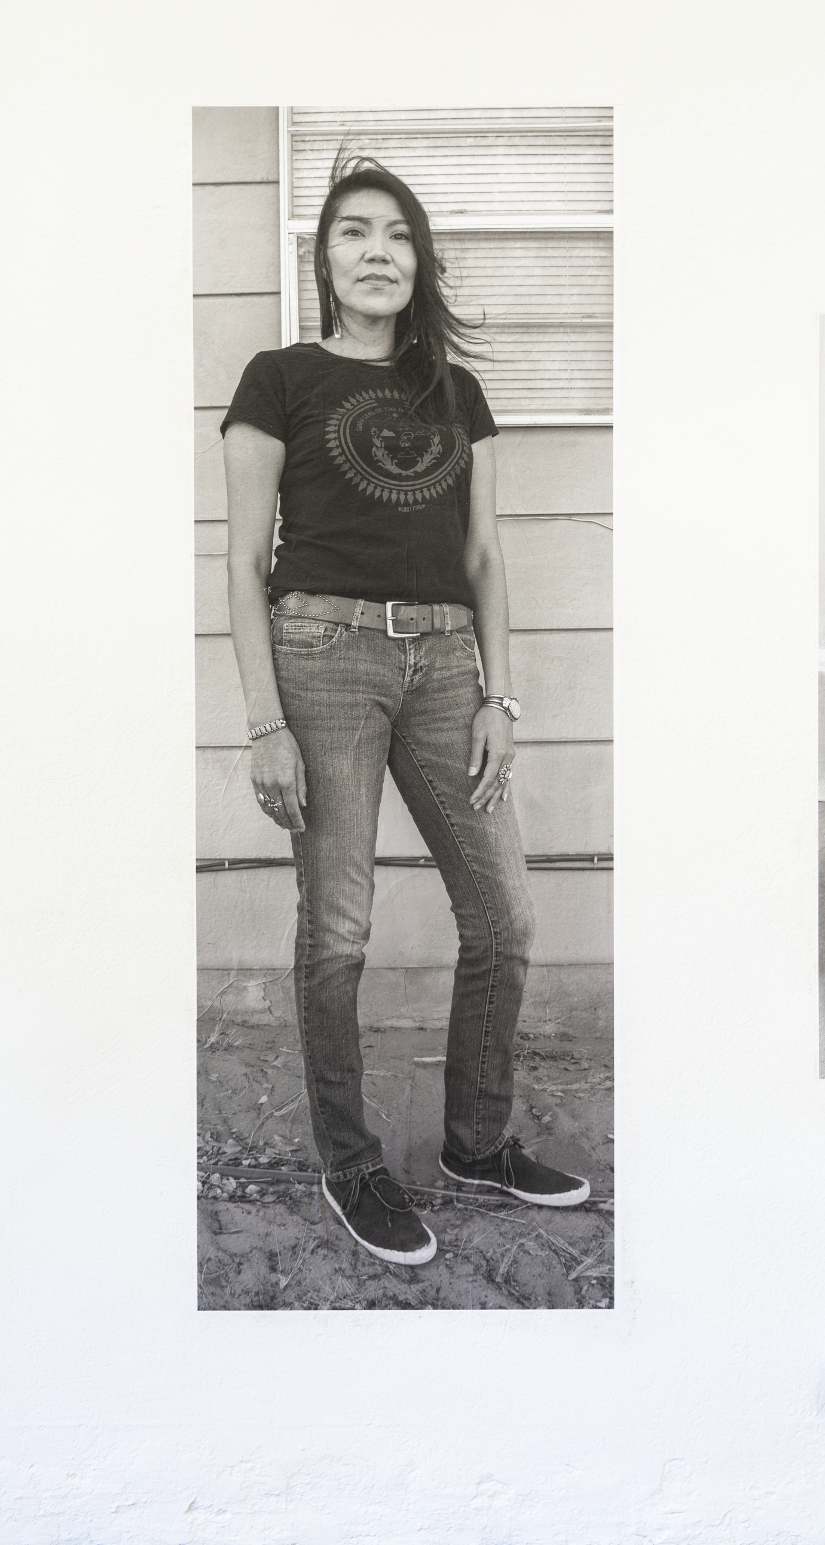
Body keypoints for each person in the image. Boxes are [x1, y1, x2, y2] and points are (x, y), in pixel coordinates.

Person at [222, 153, 590, 1268]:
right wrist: (261, 719)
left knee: (506, 915)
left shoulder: (455, 393)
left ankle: (476, 1142)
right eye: (351, 232)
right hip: (320, 653)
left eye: (396, 234)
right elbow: (242, 563)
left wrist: (500, 692)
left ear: (419, 259)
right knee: (339, 928)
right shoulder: (277, 378)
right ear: (323, 258)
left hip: (443, 664)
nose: (376, 250)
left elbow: (484, 554)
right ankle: (351, 1161)